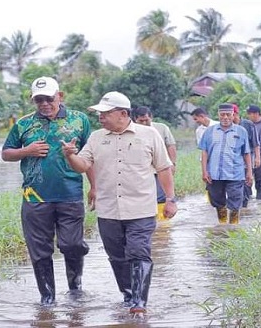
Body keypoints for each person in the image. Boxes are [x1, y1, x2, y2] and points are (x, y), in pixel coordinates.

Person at [60, 91, 177, 316]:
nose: (100, 117)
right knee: (116, 256)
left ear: (123, 114)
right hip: (108, 210)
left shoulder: (149, 134)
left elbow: (164, 168)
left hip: (141, 209)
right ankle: (128, 295)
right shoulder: (96, 137)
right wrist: (69, 155)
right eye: (99, 114)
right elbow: (82, 165)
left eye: (105, 113)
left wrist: (170, 199)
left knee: (139, 252)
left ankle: (139, 303)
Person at [1, 76, 94, 306]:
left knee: (72, 245)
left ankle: (75, 288)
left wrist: (95, 186)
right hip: (34, 197)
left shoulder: (80, 120)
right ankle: (47, 299)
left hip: (70, 194)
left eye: (49, 98)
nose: (44, 103)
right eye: (39, 99)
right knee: (39, 250)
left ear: (60, 96)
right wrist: (27, 151)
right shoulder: (23, 124)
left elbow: (91, 156)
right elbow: (6, 153)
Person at [199, 103, 252, 224]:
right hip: (214, 174)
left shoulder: (241, 131)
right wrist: (204, 171)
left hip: (235, 174)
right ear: (218, 115)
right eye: (222, 114)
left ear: (233, 115)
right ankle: (222, 226)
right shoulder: (209, 132)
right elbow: (204, 152)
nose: (225, 117)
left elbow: (247, 153)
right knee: (217, 201)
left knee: (235, 201)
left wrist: (249, 172)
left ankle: (233, 228)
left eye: (228, 114)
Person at [132, 106, 177, 221]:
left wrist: (172, 163)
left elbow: (170, 145)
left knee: (161, 196)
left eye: (146, 120)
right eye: (141, 121)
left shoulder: (161, 128)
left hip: (160, 168)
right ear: (135, 119)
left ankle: (163, 226)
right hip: (141, 171)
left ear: (151, 117)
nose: (144, 122)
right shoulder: (131, 131)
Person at [232, 104, 260, 208]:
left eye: (230, 114)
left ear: (235, 114)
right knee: (235, 187)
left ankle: (245, 208)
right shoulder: (227, 126)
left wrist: (257, 158)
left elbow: (256, 143)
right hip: (233, 162)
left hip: (247, 160)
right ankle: (238, 208)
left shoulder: (248, 125)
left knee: (247, 184)